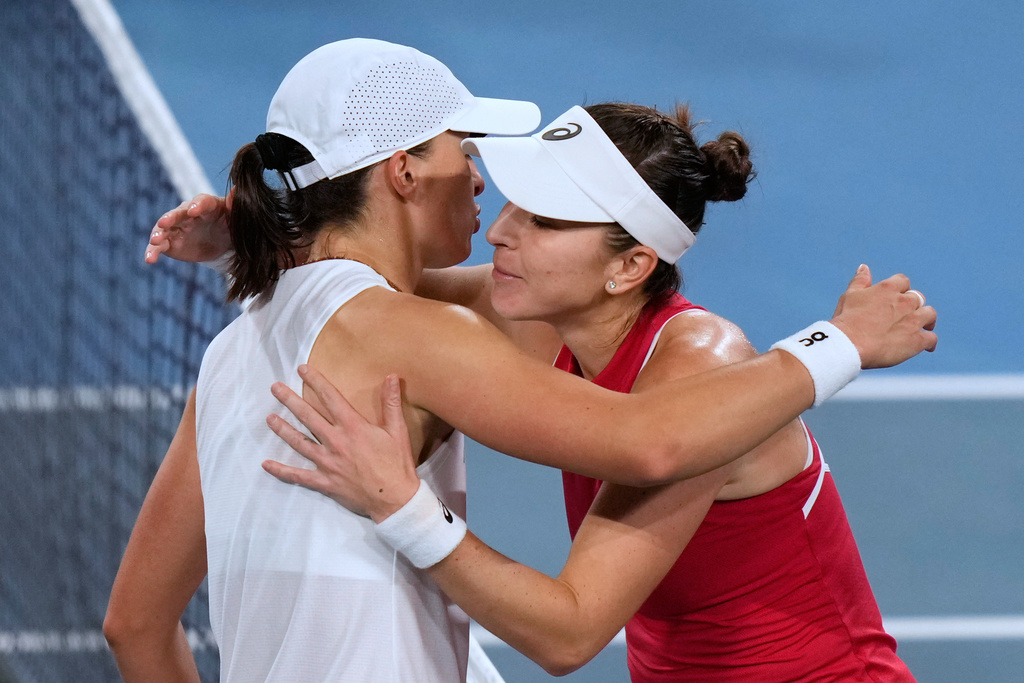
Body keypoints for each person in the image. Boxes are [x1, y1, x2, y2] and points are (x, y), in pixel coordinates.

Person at [107, 39, 935, 683]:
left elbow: (578, 615)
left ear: (628, 265)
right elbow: (379, 289)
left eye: (543, 220)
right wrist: (269, 244)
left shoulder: (701, 365)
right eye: (505, 198)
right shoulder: (532, 317)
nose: (499, 226)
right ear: (398, 171)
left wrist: (841, 342)